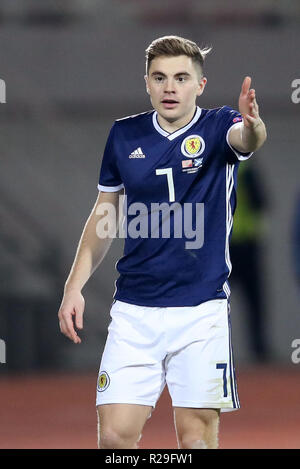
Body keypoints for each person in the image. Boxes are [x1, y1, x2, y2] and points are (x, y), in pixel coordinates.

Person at [58, 35, 267, 449]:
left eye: (181, 77)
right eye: (160, 78)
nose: (170, 87)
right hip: (135, 311)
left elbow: (247, 140)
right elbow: (105, 215)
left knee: (196, 440)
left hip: (200, 311)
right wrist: (73, 286)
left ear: (200, 85)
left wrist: (253, 124)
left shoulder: (219, 125)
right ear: (147, 84)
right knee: (115, 438)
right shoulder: (123, 135)